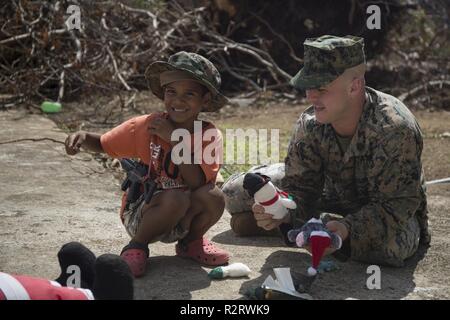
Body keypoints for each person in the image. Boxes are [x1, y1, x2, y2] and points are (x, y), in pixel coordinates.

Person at [229, 35, 430, 267]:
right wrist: (283, 212)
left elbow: (397, 205)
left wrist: (346, 228)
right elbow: (301, 189)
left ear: (354, 86)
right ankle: (300, 227)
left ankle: (316, 229)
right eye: (308, 86)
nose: (310, 96)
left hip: (382, 207)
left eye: (321, 88)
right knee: (235, 192)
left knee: (391, 249)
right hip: (332, 192)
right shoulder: (311, 123)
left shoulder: (394, 128)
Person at [65, 52, 230, 277]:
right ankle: (137, 246)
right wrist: (83, 137)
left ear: (206, 100)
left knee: (214, 197)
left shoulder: (208, 135)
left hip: (185, 213)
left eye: (189, 94)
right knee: (175, 197)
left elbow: (197, 182)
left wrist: (174, 140)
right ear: (163, 93)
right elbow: (105, 143)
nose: (178, 101)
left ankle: (190, 244)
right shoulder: (148, 126)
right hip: (143, 213)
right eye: (171, 92)